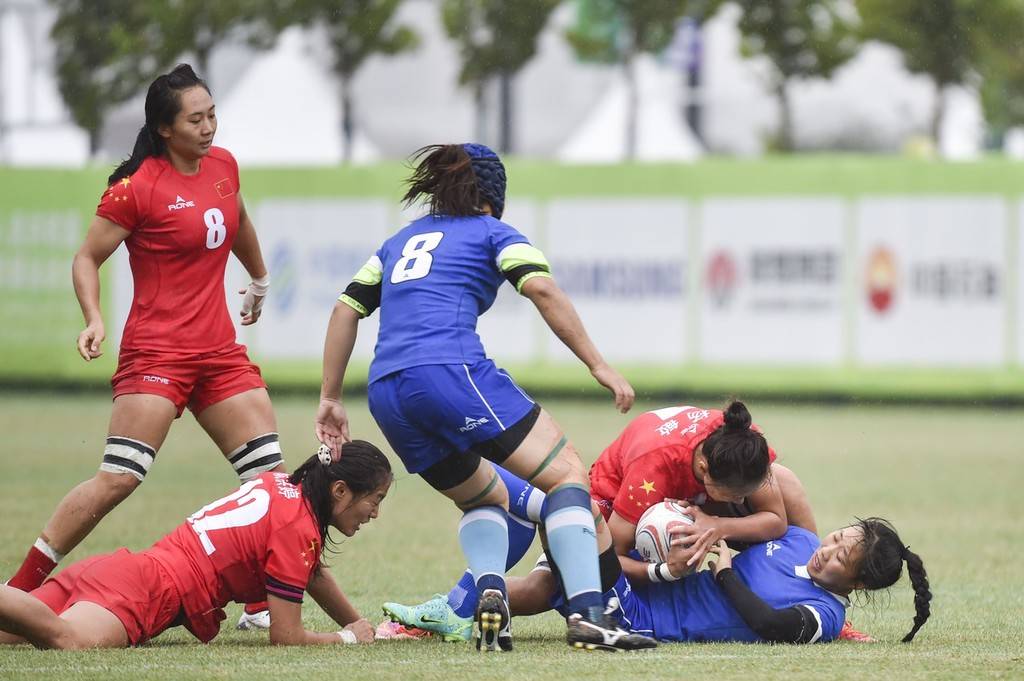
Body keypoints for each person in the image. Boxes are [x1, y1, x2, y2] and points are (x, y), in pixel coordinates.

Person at [315, 143, 656, 652]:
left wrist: (330, 397)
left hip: (387, 391)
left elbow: (347, 310)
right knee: (567, 477)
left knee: (484, 496)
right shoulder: (493, 232)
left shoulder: (399, 240)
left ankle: (491, 589)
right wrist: (598, 364)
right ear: (493, 197)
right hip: (450, 372)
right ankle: (590, 613)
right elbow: (541, 289)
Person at [7, 64, 284, 630]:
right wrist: (94, 317)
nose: (209, 128)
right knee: (120, 478)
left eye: (212, 115)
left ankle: (260, 605)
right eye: (195, 119)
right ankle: (18, 590)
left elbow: (239, 219)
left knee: (272, 484)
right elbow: (87, 258)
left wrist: (258, 278)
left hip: (219, 354)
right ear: (164, 128)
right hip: (156, 355)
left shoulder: (225, 166)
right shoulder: (138, 188)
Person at [380, 400, 819, 640]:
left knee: (788, 482)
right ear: (703, 472)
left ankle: (813, 593)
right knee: (549, 584)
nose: (747, 500)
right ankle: (449, 609)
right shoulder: (654, 466)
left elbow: (776, 519)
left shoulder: (744, 444)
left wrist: (717, 524)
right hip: (608, 505)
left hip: (690, 505)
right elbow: (619, 556)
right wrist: (664, 570)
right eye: (737, 496)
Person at [0, 442, 392, 649]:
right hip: (149, 591)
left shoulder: (285, 486)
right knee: (72, 641)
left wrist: (360, 625)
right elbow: (286, 638)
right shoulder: (297, 526)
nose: (374, 512)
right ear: (340, 490)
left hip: (126, 571)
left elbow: (313, 574)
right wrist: (347, 637)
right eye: (374, 499)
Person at [520, 517, 931, 645]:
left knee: (575, 510)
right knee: (538, 580)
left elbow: (769, 625)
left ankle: (588, 605)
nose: (827, 549)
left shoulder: (824, 615)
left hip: (637, 618)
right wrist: (691, 521)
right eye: (838, 537)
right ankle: (466, 602)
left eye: (841, 557)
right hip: (645, 585)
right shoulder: (801, 539)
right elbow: (733, 532)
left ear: (857, 584)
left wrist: (725, 573)